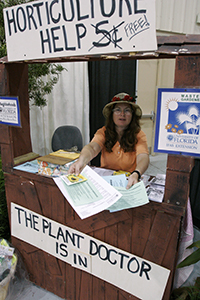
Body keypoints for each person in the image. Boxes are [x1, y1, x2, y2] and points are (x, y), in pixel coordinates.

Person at [68, 92, 149, 189]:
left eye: (127, 110)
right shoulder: (103, 132)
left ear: (132, 115)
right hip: (106, 182)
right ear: (112, 114)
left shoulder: (139, 134)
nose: (122, 114)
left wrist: (137, 173)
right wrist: (81, 161)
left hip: (128, 181)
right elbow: (92, 147)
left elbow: (143, 156)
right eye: (118, 110)